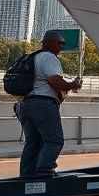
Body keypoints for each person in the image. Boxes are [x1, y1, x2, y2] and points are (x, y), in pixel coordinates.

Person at [19, 30, 82, 177]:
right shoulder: (49, 57)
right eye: (60, 43)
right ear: (50, 43)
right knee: (54, 140)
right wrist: (73, 84)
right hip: (43, 105)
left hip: (25, 104)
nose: (61, 47)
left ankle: (27, 175)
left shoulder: (32, 57)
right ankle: (44, 172)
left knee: (33, 143)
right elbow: (55, 81)